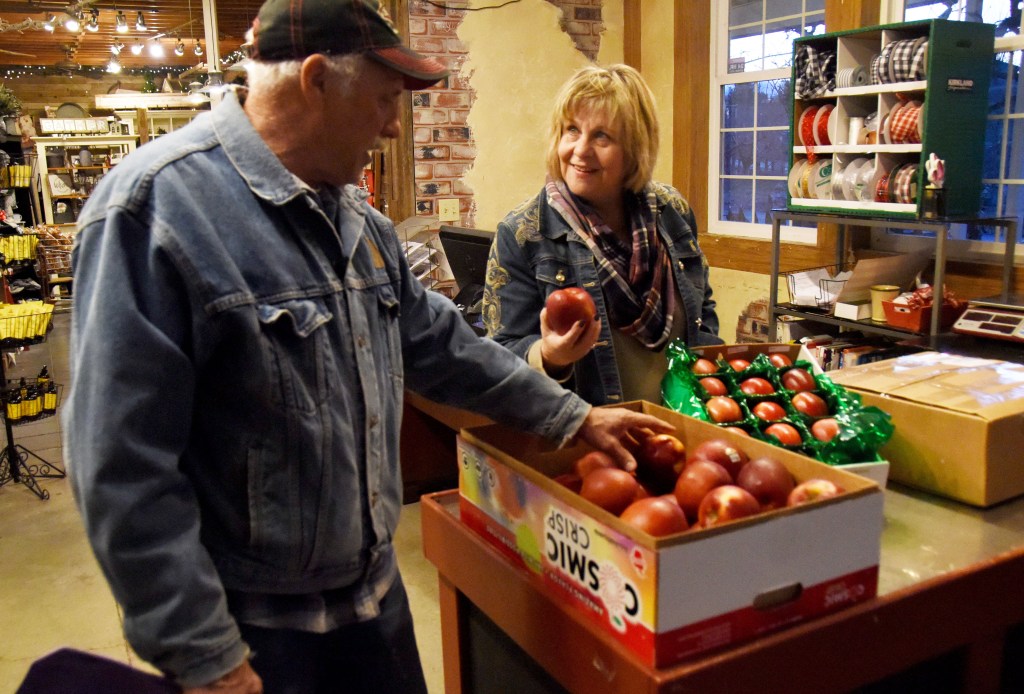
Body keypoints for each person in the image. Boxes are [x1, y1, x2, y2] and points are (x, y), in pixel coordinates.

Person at [62, 3, 674, 693]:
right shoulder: (155, 211)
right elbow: (122, 465)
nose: (392, 126)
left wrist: (573, 417)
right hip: (256, 635)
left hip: (375, 606)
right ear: (316, 80)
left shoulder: (358, 221)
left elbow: (447, 348)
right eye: (384, 100)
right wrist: (205, 656)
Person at [484, 64, 723, 407]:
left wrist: (709, 389)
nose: (581, 150)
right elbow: (499, 357)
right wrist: (549, 356)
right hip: (593, 432)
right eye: (571, 130)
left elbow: (703, 309)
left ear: (635, 148)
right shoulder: (524, 234)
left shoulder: (672, 211)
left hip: (682, 423)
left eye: (601, 136)